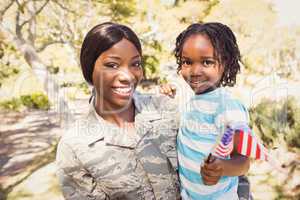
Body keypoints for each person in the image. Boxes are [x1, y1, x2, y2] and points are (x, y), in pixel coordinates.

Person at [56, 22, 180, 200]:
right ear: (89, 69)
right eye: (112, 65)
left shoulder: (166, 110)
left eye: (135, 64)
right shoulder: (74, 147)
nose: (128, 76)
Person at [171, 22, 252, 199]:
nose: (195, 71)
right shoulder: (194, 101)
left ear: (226, 63)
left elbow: (243, 162)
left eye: (207, 62)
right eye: (187, 62)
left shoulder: (227, 106)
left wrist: (222, 167)